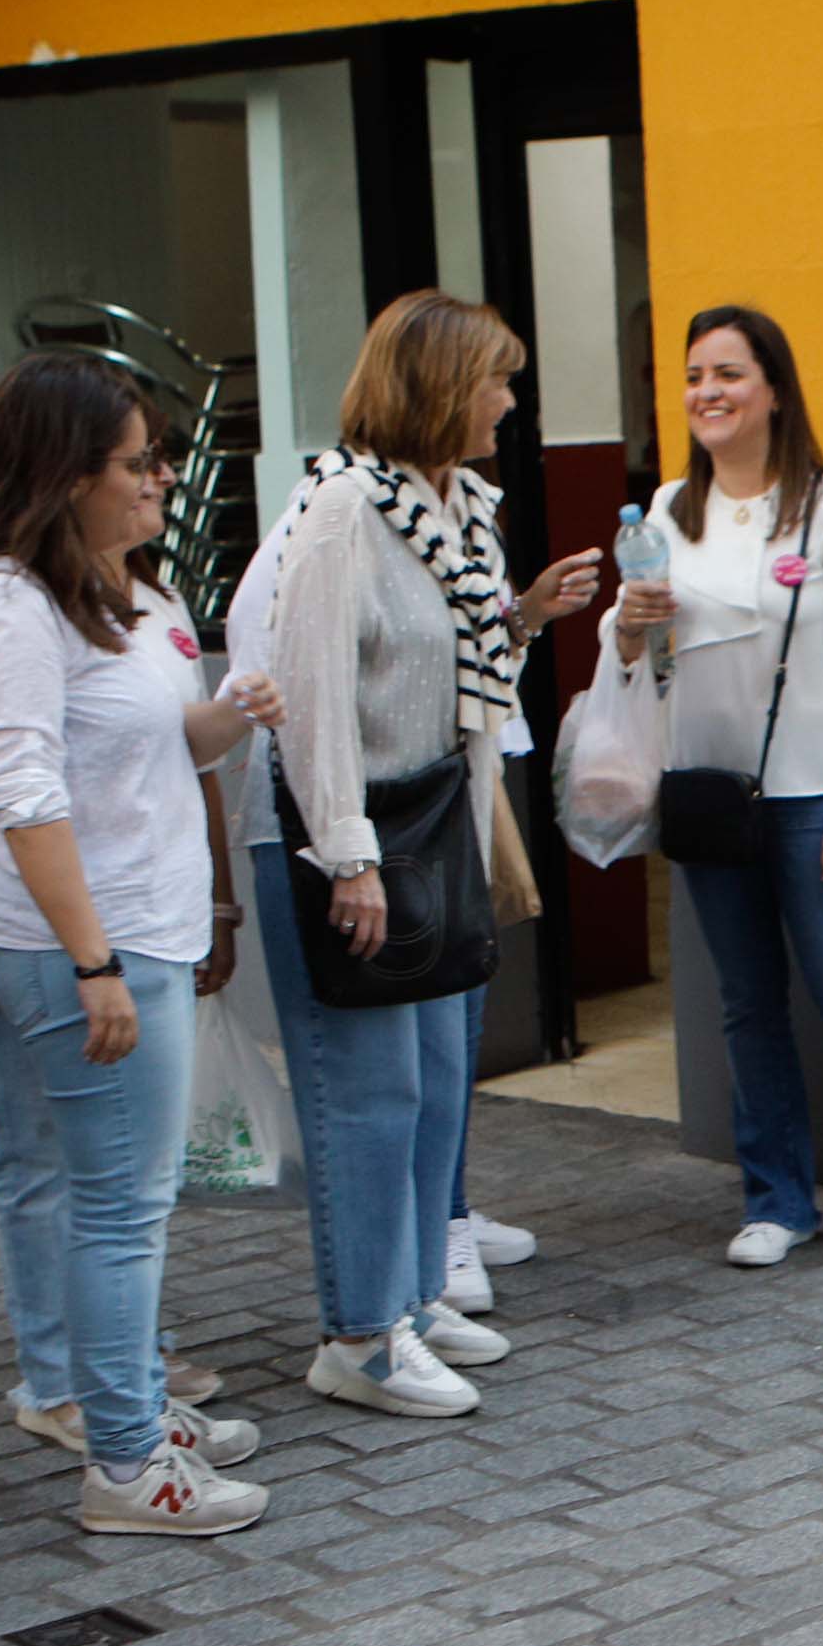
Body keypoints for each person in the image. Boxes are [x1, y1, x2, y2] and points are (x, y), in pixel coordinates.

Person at [0, 351, 284, 1536]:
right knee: (120, 1210)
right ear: (66, 473)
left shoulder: (90, 592)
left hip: (139, 933)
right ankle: (127, 1464)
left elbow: (138, 750)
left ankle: (123, 1413)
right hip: (94, 945)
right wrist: (91, 964)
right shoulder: (4, 605)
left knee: (118, 1202)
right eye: (138, 462)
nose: (161, 480)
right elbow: (25, 795)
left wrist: (230, 717)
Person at [254, 289, 600, 1411]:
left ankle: (405, 1299)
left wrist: (525, 618)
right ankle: (357, 1334)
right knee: (370, 1092)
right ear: (440, 385)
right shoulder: (344, 509)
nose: (509, 400)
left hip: (434, 815)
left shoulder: (453, 504)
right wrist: (346, 857)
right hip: (364, 832)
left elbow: (438, 662)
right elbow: (312, 695)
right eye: (495, 378)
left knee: (433, 1081)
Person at [610, 304, 823, 1270]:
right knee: (745, 1003)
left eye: (728, 373)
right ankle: (777, 1198)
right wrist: (631, 625)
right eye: (694, 377)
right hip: (707, 794)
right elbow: (640, 659)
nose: (707, 393)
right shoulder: (669, 511)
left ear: (773, 389)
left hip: (815, 797)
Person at [0, 568, 234, 1448]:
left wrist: (215, 905)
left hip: (140, 906)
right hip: (32, 914)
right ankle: (64, 1381)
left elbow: (175, 748)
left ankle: (117, 1369)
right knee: (43, 1153)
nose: (156, 481)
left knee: (117, 1180)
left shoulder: (154, 591)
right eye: (132, 462)